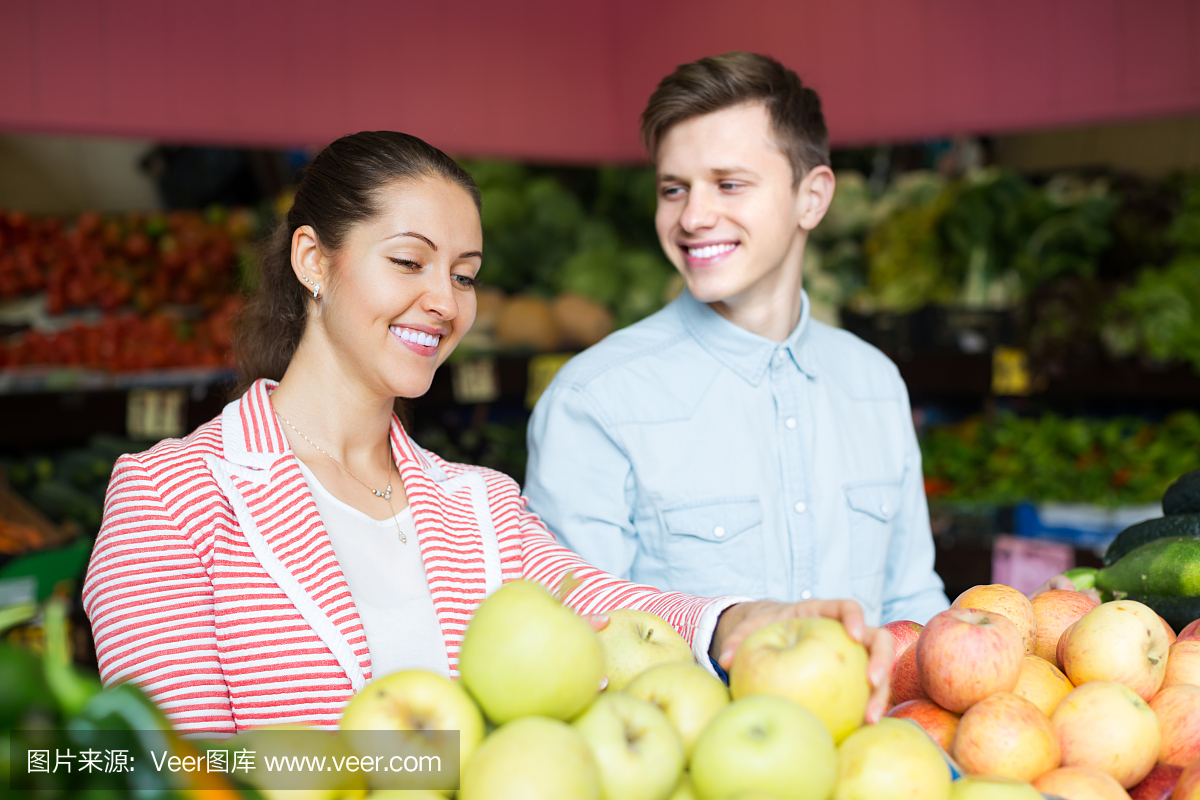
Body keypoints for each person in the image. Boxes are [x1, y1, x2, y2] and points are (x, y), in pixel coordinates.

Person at [82, 131, 892, 737]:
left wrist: (736, 623)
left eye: (464, 275)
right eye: (409, 262)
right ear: (313, 261)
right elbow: (169, 767)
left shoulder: (478, 504)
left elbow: (605, 607)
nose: (444, 301)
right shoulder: (173, 497)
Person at [524, 52, 950, 626]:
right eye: (673, 189)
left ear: (812, 198)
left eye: (728, 184)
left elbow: (910, 606)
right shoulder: (593, 400)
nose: (694, 217)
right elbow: (576, 634)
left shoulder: (874, 382)